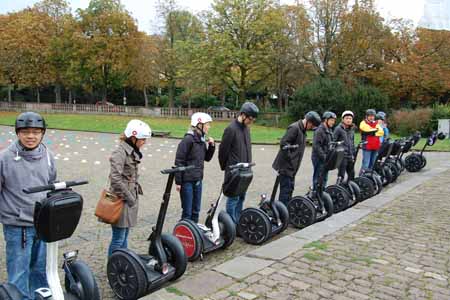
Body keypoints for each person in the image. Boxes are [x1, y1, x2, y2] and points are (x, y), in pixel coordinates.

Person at [0, 112, 57, 300]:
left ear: (42, 133)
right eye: (25, 132)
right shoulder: (4, 159)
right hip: (17, 226)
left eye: (35, 132)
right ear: (17, 133)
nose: (31, 136)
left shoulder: (48, 156)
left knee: (40, 269)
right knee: (18, 273)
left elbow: (52, 185)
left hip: (42, 225)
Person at [108, 119, 151, 257]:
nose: (144, 142)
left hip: (128, 198)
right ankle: (113, 267)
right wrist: (130, 197)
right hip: (121, 199)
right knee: (118, 238)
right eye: (142, 139)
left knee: (124, 235)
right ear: (133, 138)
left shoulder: (131, 150)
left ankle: (123, 262)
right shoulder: (120, 152)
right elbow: (115, 179)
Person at [219, 102, 258, 224]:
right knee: (233, 198)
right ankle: (231, 225)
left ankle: (237, 222)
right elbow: (223, 151)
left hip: (245, 171)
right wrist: (227, 168)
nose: (251, 121)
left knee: (242, 197)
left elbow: (248, 149)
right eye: (250, 119)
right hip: (234, 171)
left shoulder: (246, 129)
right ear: (243, 115)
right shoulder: (231, 129)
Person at [272, 111, 321, 207]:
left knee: (289, 189)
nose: (311, 128)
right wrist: (291, 160)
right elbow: (284, 144)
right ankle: (283, 213)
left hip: (292, 167)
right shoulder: (294, 128)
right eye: (312, 126)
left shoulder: (302, 130)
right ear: (308, 122)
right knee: (285, 191)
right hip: (286, 166)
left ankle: (285, 211)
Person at [175, 112, 215, 223]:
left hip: (198, 179)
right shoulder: (188, 140)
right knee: (187, 211)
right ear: (199, 125)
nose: (209, 127)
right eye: (207, 124)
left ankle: (194, 234)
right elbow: (179, 161)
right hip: (187, 181)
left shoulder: (201, 140)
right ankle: (183, 235)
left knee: (196, 210)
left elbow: (206, 158)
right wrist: (178, 182)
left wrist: (211, 146)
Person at [311, 111, 337, 189]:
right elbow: (316, 146)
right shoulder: (320, 130)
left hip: (326, 157)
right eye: (331, 120)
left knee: (324, 177)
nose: (333, 122)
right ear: (326, 120)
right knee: (318, 177)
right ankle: (315, 193)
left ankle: (322, 192)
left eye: (334, 120)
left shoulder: (329, 130)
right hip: (319, 158)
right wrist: (324, 157)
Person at [334, 110, 356, 183]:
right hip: (342, 156)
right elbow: (333, 141)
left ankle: (349, 188)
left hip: (350, 155)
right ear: (343, 119)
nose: (348, 120)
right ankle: (338, 188)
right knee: (341, 175)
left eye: (350, 118)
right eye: (346, 118)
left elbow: (352, 142)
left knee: (351, 174)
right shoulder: (338, 129)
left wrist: (353, 153)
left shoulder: (352, 129)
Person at [359, 109, 384, 173]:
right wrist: (375, 131)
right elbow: (367, 130)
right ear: (366, 116)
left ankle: (369, 178)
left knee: (373, 163)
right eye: (370, 116)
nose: (371, 117)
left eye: (372, 116)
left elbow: (381, 132)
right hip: (367, 146)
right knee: (366, 164)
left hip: (375, 146)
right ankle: (361, 177)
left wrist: (373, 133)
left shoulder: (376, 123)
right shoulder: (363, 123)